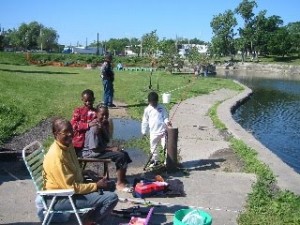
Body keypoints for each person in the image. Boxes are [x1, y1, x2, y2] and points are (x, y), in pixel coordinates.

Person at [43, 117, 118, 225]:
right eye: (65, 132)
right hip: (59, 198)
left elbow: (70, 170)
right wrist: (96, 186)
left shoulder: (67, 145)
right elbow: (70, 188)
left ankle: (93, 215)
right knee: (111, 198)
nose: (70, 135)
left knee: (110, 185)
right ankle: (88, 221)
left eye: (71, 131)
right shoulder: (57, 157)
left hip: (71, 190)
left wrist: (84, 172)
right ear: (56, 133)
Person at [82, 104, 133, 192]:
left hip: (99, 150)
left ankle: (122, 179)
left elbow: (107, 139)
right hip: (91, 153)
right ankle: (119, 184)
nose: (105, 117)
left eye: (107, 114)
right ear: (97, 114)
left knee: (124, 153)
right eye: (102, 115)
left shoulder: (102, 124)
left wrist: (104, 129)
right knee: (120, 156)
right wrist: (111, 149)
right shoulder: (94, 128)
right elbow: (94, 149)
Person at [141, 91, 172, 167]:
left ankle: (166, 161)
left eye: (155, 102)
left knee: (165, 146)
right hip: (153, 133)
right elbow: (145, 121)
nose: (154, 104)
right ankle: (155, 160)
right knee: (153, 147)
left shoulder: (162, 107)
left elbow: (165, 117)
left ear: (157, 101)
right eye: (152, 102)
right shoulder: (147, 110)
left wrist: (167, 122)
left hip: (163, 131)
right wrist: (144, 131)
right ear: (149, 102)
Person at [71, 89, 98, 157]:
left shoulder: (96, 113)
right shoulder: (78, 111)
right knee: (76, 160)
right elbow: (73, 125)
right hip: (78, 141)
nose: (88, 102)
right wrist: (87, 125)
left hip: (90, 142)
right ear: (82, 100)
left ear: (94, 99)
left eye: (90, 100)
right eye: (86, 101)